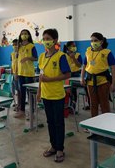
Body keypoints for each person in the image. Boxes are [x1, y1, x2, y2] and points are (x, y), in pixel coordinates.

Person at [37, 28, 71, 163]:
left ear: (55, 40)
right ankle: (53, 146)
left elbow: (67, 74)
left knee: (58, 122)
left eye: (48, 39)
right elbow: (41, 76)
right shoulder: (41, 57)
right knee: (50, 122)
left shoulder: (61, 56)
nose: (46, 41)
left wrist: (50, 80)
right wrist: (39, 91)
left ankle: (60, 149)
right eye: (44, 39)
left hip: (57, 95)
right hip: (46, 95)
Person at [81, 32, 115, 118]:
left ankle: (106, 124)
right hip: (90, 82)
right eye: (91, 41)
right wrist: (82, 78)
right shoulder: (88, 52)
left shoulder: (107, 52)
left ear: (101, 41)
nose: (93, 42)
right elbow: (84, 66)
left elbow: (113, 69)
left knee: (104, 104)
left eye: (95, 40)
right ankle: (94, 125)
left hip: (103, 82)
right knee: (93, 104)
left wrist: (113, 83)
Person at [14, 29, 38, 119]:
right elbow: (16, 61)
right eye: (22, 34)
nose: (24, 35)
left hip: (29, 73)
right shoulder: (18, 47)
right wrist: (16, 72)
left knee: (30, 93)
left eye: (25, 34)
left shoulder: (32, 46)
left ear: (28, 35)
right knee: (22, 92)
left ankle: (32, 112)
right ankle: (22, 111)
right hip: (20, 73)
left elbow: (36, 58)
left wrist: (27, 58)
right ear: (20, 36)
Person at [63, 41, 84, 111]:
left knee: (73, 90)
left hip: (76, 74)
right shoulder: (64, 55)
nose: (74, 47)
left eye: (74, 46)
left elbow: (79, 65)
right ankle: (66, 106)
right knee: (66, 90)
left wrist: (74, 58)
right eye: (72, 46)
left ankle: (72, 107)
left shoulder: (78, 55)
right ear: (68, 48)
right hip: (67, 75)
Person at [11, 39, 20, 110]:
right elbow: (12, 63)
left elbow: (18, 64)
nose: (14, 46)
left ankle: (19, 104)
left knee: (18, 90)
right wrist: (12, 71)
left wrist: (17, 73)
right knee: (13, 90)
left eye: (16, 45)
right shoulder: (12, 54)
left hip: (19, 74)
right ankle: (15, 102)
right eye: (13, 45)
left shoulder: (20, 53)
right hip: (13, 74)